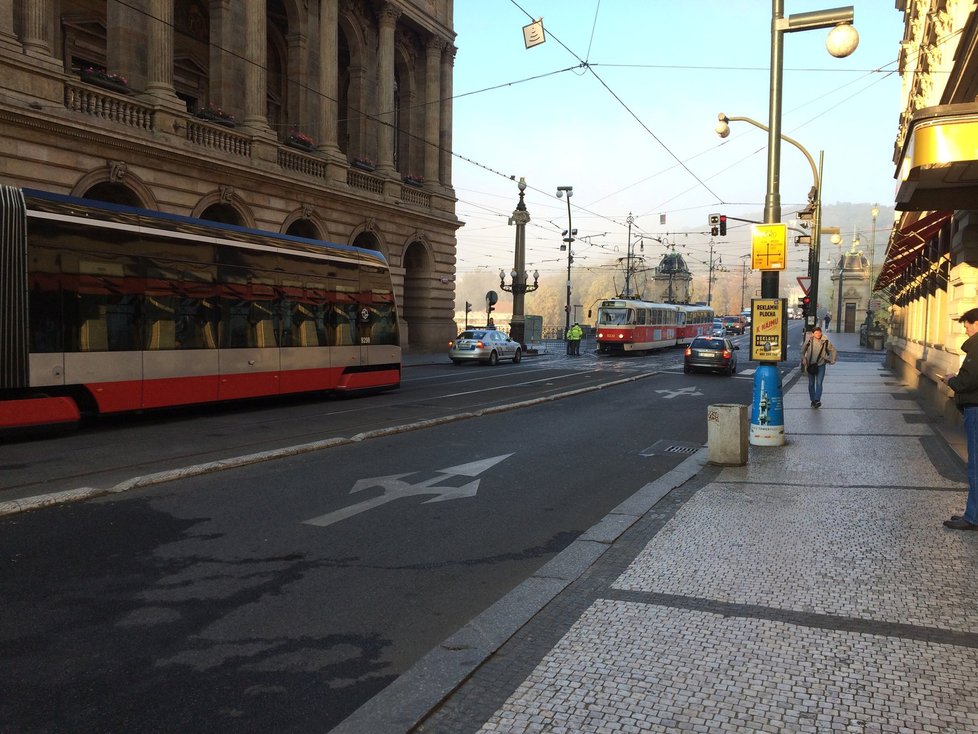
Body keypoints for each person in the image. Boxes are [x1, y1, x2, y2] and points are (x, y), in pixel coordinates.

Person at [941, 307, 978, 531]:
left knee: (975, 464)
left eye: (967, 325)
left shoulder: (977, 347)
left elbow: (967, 381)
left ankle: (973, 517)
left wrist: (951, 380)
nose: (965, 330)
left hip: (975, 408)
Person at [800, 326, 836, 408]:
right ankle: (813, 400)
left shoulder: (825, 341)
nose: (818, 334)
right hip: (810, 365)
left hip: (821, 365)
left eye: (819, 332)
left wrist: (832, 359)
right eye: (816, 333)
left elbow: (833, 350)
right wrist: (804, 359)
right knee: (811, 383)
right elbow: (802, 352)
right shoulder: (809, 341)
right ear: (813, 334)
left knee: (819, 383)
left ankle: (817, 400)